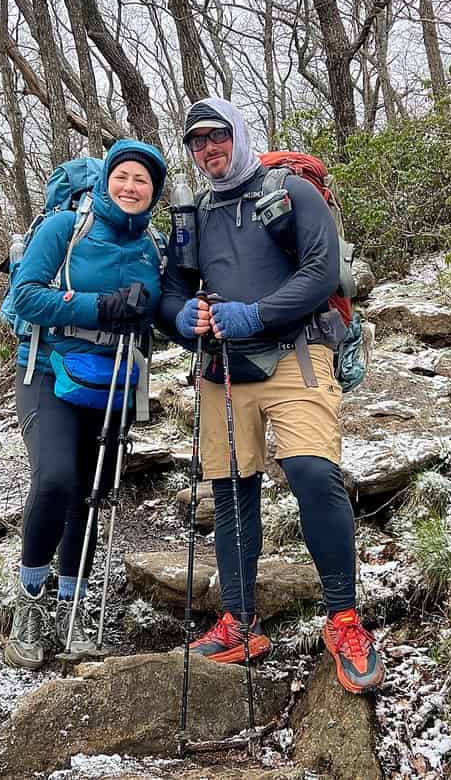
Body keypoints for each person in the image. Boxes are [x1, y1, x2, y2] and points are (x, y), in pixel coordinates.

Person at [158, 98, 383, 694]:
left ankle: (344, 619)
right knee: (232, 490)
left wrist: (254, 314)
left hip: (295, 355)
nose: (208, 149)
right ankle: (239, 621)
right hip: (222, 368)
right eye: (197, 142)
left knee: (313, 473)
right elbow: (172, 290)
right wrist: (182, 316)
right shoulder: (195, 214)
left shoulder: (288, 192)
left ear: (239, 133)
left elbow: (321, 270)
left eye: (217, 136)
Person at [5, 139, 166, 670]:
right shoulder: (62, 230)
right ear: (105, 181)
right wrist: (101, 307)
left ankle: (72, 606)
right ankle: (29, 602)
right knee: (56, 479)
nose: (130, 186)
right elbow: (24, 296)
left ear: (154, 192)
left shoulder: (153, 249)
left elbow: (164, 310)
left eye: (142, 180)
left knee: (92, 495)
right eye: (122, 175)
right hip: (47, 371)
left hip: (114, 380)